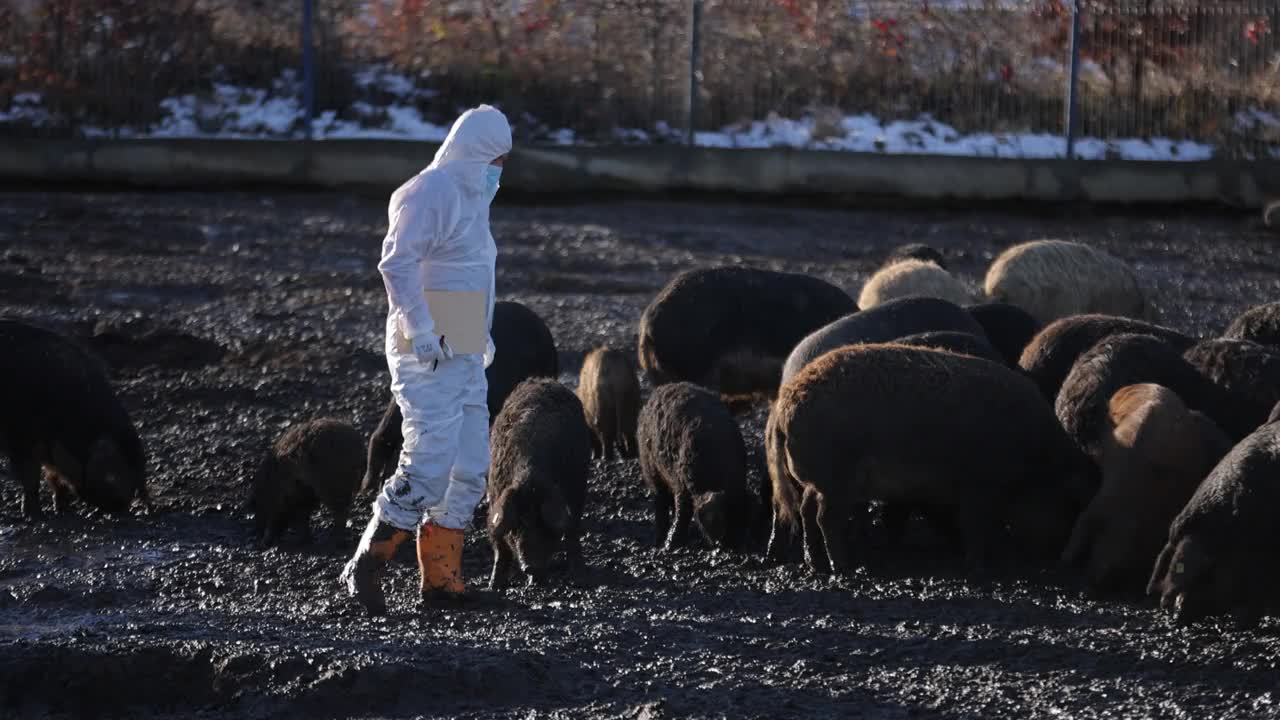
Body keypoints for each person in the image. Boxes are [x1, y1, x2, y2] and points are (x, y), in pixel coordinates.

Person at [340, 104, 512, 615]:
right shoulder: (431, 190)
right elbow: (396, 262)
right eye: (496, 160)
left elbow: (471, 272)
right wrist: (419, 330)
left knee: (468, 464)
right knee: (430, 460)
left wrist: (479, 336)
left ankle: (441, 580)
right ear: (477, 152)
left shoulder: (470, 198)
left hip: (459, 335)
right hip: (429, 339)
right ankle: (364, 568)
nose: (500, 171)